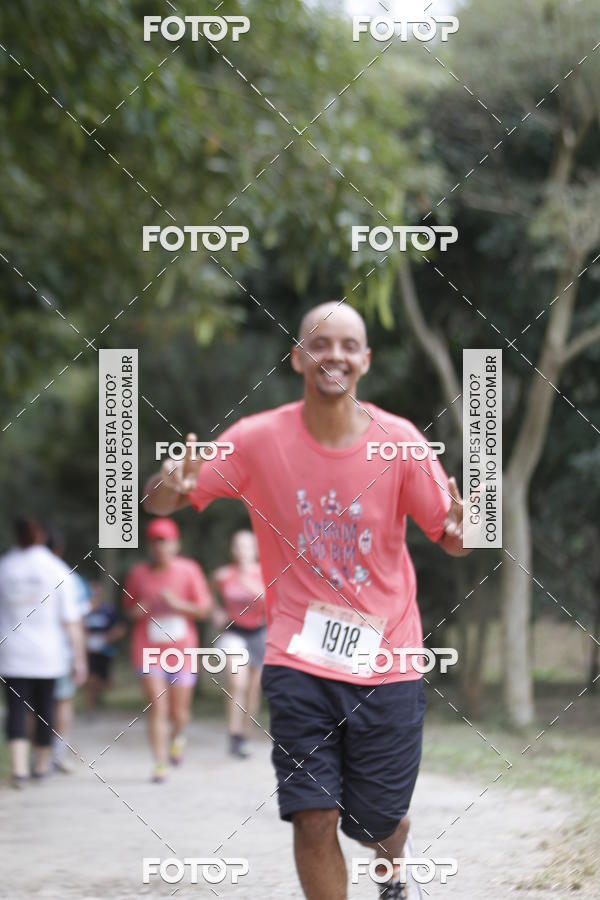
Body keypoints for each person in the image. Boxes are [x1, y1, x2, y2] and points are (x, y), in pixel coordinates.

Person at [143, 302, 471, 899]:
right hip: (298, 659)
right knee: (313, 815)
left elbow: (451, 537)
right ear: (298, 357)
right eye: (321, 344)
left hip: (389, 662)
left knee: (376, 821)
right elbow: (159, 501)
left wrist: (459, 530)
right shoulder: (256, 439)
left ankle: (394, 869)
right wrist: (171, 481)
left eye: (349, 346)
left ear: (365, 361)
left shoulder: (399, 443)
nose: (335, 356)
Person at [123, 517, 213, 783]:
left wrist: (177, 604)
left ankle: (178, 738)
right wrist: (139, 609)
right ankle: (160, 762)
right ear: (149, 546)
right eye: (154, 542)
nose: (160, 547)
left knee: (179, 713)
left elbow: (203, 610)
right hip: (147, 648)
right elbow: (128, 611)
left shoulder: (189, 570)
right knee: (157, 707)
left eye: (165, 542)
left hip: (182, 651)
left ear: (176, 544)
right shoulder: (138, 573)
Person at [0, 518, 87, 788]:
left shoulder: (5, 567)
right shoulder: (57, 570)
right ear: (40, 536)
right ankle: (40, 764)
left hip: (12, 652)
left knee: (15, 709)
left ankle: (19, 769)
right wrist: (80, 658)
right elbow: (72, 621)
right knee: (45, 708)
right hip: (48, 654)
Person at [211, 529, 266, 758]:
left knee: (254, 689)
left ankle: (244, 734)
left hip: (260, 632)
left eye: (246, 546)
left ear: (255, 550)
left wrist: (254, 588)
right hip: (234, 632)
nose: (241, 551)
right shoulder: (222, 575)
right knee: (237, 683)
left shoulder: (265, 573)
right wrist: (216, 610)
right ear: (232, 550)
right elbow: (209, 596)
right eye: (237, 546)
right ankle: (233, 735)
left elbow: (276, 602)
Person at [46, 526, 91, 773]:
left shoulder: (12, 570)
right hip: (61, 651)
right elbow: (79, 621)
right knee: (63, 700)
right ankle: (58, 753)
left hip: (25, 654)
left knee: (33, 703)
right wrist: (80, 657)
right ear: (60, 549)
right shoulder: (71, 578)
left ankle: (38, 753)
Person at [84, 581, 126, 712]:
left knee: (106, 682)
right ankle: (91, 707)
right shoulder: (82, 611)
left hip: (106, 650)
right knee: (91, 678)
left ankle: (100, 694)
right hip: (89, 651)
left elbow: (120, 628)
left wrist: (108, 638)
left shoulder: (108, 610)